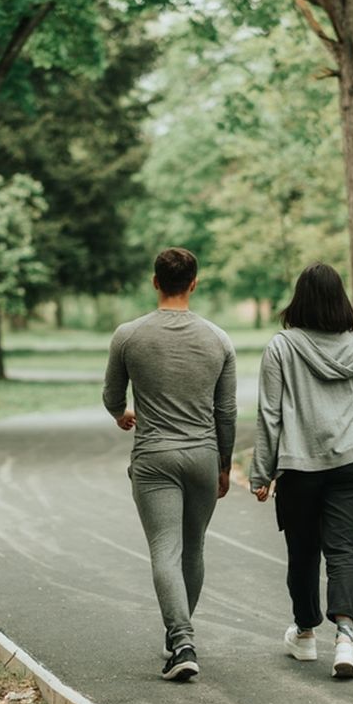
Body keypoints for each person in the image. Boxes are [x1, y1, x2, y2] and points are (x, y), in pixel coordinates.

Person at [103, 247, 237, 682]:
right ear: (193, 283)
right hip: (202, 454)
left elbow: (111, 396)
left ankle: (180, 639)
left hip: (154, 457)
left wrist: (123, 414)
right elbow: (227, 411)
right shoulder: (219, 339)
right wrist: (223, 464)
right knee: (192, 547)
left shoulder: (128, 335)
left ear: (155, 281)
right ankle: (180, 636)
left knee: (165, 548)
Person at [249, 262, 353, 679]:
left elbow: (269, 414)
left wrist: (261, 473)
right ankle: (345, 639)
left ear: (299, 299)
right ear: (341, 299)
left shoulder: (281, 347)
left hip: (300, 464)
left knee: (303, 552)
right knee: (344, 550)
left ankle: (304, 634)